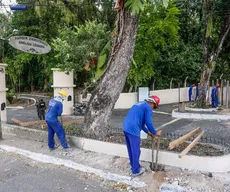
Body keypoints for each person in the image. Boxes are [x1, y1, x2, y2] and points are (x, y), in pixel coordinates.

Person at [123, 95, 161, 177]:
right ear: (152, 103)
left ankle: (133, 165)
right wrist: (155, 132)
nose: (152, 109)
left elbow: (141, 123)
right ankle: (136, 171)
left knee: (131, 149)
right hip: (133, 129)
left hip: (126, 127)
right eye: (154, 107)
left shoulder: (139, 104)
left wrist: (148, 132)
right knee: (136, 150)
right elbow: (148, 122)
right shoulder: (148, 107)